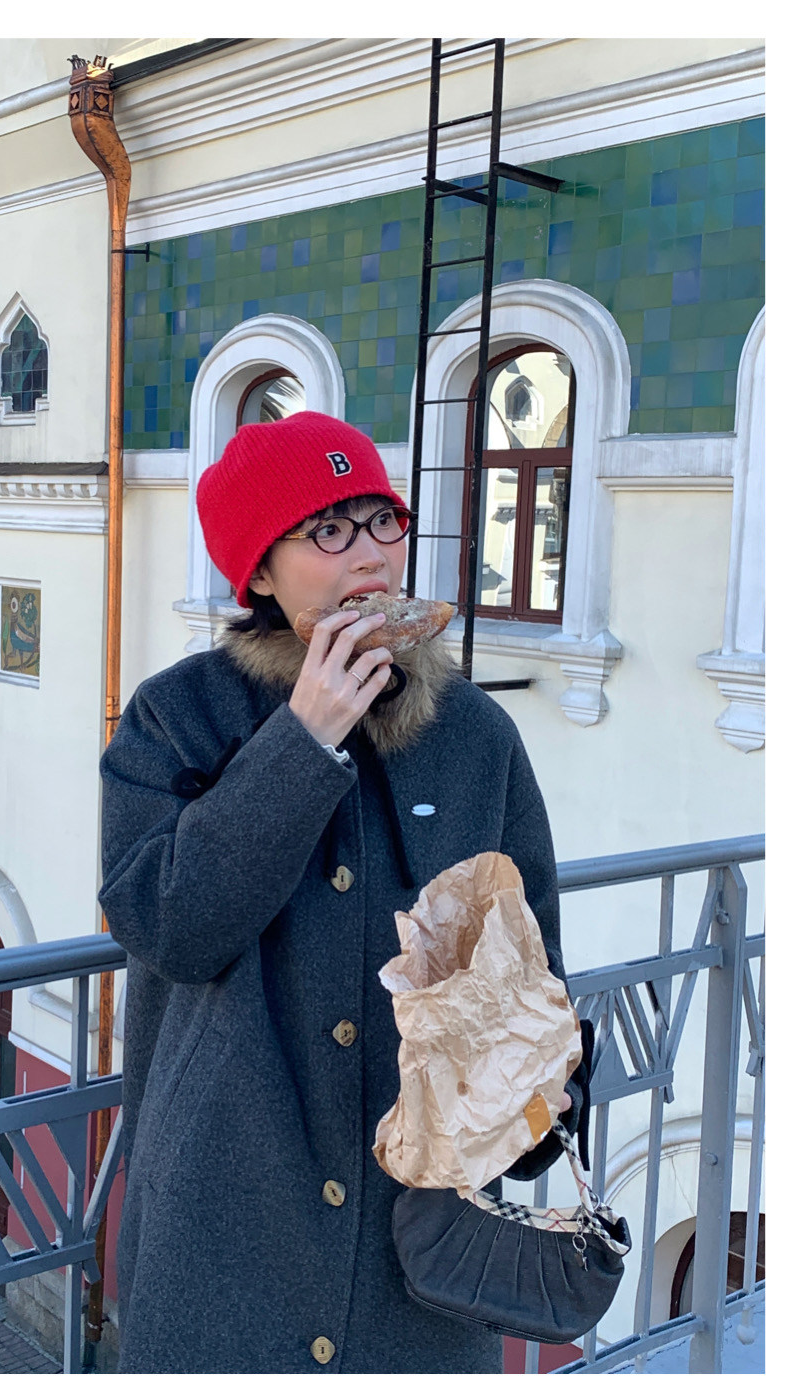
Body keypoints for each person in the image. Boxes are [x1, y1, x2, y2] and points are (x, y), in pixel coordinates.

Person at [98, 410, 581, 1374]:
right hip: (223, 1248)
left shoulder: (474, 733)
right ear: (260, 574)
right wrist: (302, 739)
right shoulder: (179, 714)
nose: (370, 554)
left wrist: (538, 1096)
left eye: (382, 521)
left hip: (421, 1271)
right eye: (327, 530)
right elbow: (168, 926)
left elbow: (534, 970)